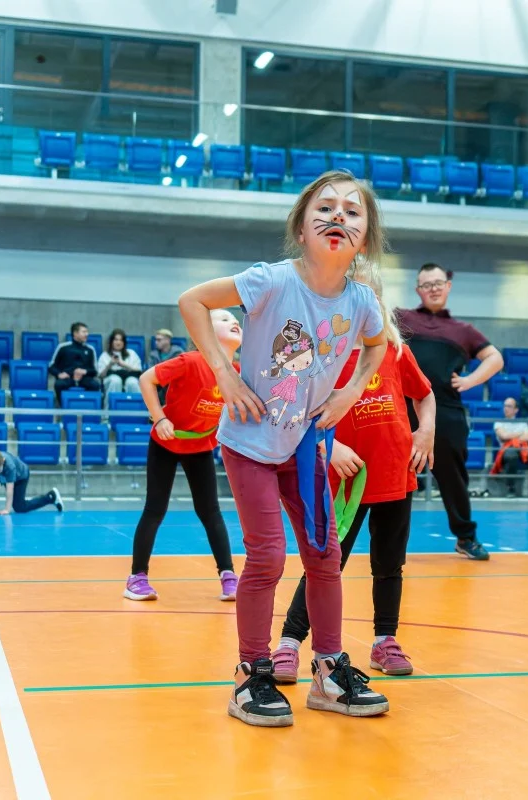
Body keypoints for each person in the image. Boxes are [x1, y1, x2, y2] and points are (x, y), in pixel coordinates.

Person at [178, 170, 390, 728]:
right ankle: (251, 672)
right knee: (268, 555)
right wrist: (224, 373)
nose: (338, 215)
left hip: (303, 446)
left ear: (364, 238)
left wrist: (348, 393)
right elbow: (192, 300)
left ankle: (328, 672)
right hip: (249, 442)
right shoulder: (269, 281)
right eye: (325, 207)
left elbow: (378, 345)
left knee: (324, 556)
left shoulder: (362, 301)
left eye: (352, 211)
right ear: (301, 228)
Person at [275, 261, 435, 680]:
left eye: (366, 295)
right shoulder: (318, 354)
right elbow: (294, 410)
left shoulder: (395, 352)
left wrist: (425, 432)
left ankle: (385, 641)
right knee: (326, 563)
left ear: (378, 301)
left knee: (389, 564)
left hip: (395, 474)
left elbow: (425, 395)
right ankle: (289, 642)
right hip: (341, 479)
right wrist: (331, 447)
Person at [123, 309, 243, 603]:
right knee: (155, 509)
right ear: (204, 330)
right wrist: (160, 418)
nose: (233, 321)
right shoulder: (189, 361)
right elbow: (146, 379)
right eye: (223, 319)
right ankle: (137, 577)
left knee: (210, 511)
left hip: (201, 445)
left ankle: (228, 576)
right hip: (166, 442)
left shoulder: (239, 372)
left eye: (234, 319)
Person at [396, 264, 504, 561]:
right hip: (403, 409)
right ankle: (393, 543)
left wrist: (470, 380)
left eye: (438, 283)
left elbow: (495, 358)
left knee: (453, 478)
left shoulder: (464, 331)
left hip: (447, 413)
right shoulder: (400, 318)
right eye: (426, 284)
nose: (433, 288)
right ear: (418, 290)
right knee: (399, 478)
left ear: (448, 287)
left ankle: (466, 537)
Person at [0, 448, 62, 515]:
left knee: (20, 508)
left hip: (20, 477)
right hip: (3, 477)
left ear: (3, 461)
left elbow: (10, 489)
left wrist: (7, 509)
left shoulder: (10, 466)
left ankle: (50, 497)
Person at [491, 396, 528, 498]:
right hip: (506, 450)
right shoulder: (499, 422)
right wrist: (520, 434)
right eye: (505, 406)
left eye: (509, 406)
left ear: (516, 410)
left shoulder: (522, 422)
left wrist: (511, 436)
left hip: (523, 449)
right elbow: (504, 436)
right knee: (511, 455)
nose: (506, 408)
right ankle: (511, 488)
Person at [49, 322, 100, 399]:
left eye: (87, 332)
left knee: (95, 385)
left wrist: (85, 371)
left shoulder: (90, 349)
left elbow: (95, 371)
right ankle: (62, 405)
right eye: (84, 332)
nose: (87, 334)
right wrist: (59, 374)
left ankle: (88, 405)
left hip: (85, 378)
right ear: (75, 333)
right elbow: (51, 366)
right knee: (59, 384)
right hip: (67, 378)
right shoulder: (63, 347)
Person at [98, 328, 143, 395]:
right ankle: (112, 402)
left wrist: (124, 365)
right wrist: (110, 365)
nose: (118, 343)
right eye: (116, 340)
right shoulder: (104, 355)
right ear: (111, 342)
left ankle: (137, 402)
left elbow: (139, 371)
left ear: (124, 342)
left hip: (129, 378)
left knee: (132, 382)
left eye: (121, 340)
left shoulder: (132, 353)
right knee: (116, 380)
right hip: (111, 380)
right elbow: (101, 376)